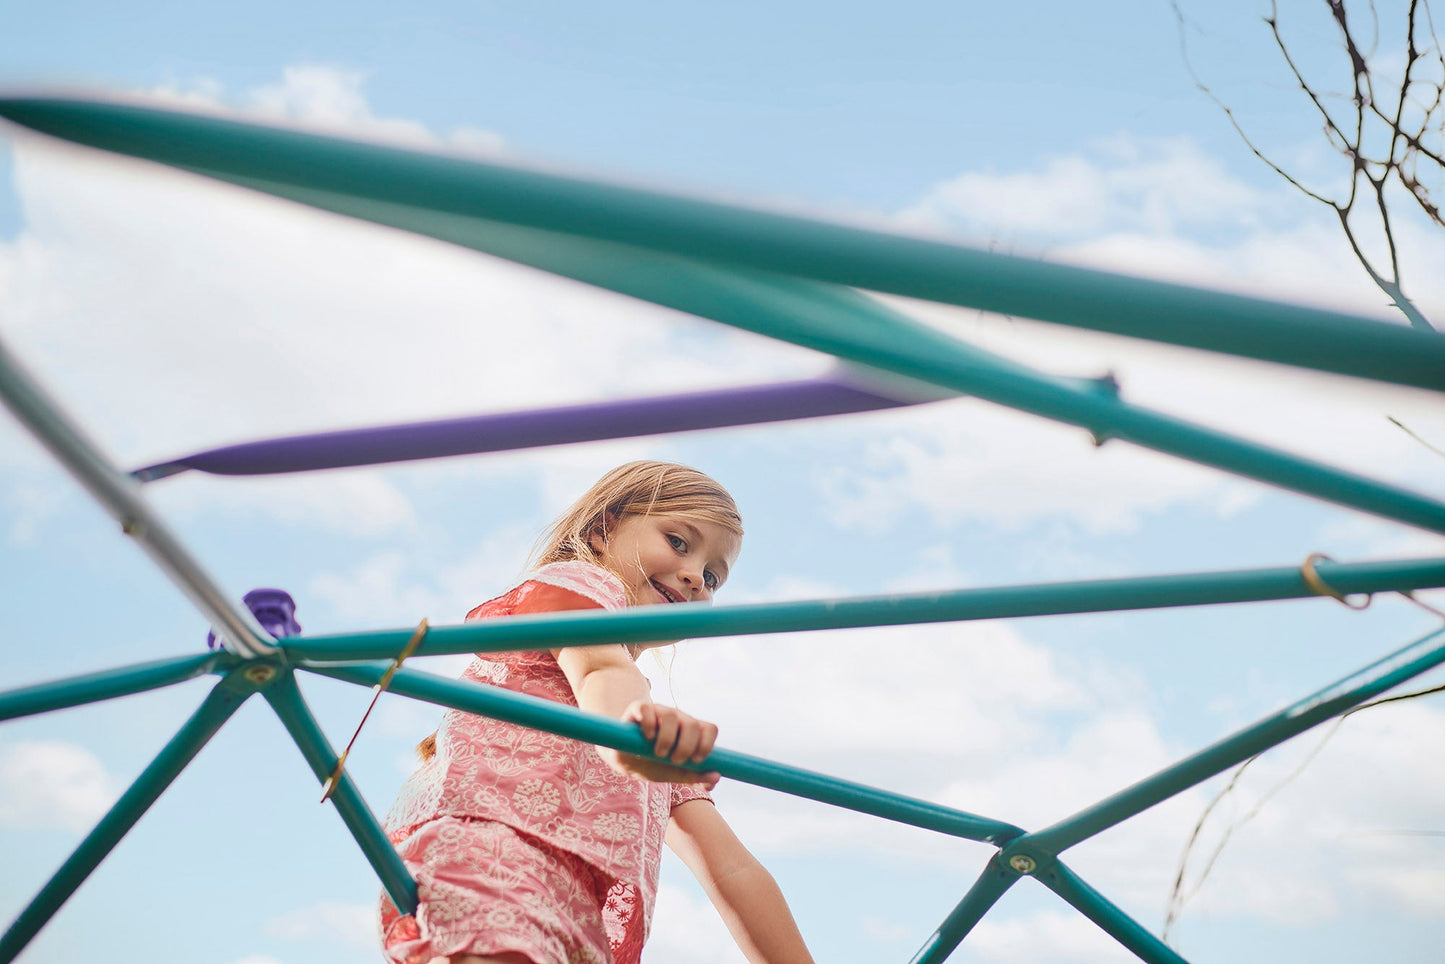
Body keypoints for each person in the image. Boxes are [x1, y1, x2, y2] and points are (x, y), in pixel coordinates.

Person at [380, 461, 814, 964]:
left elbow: (733, 871)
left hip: (578, 919)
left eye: (714, 576)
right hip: (492, 857)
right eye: (678, 542)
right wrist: (630, 740)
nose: (696, 575)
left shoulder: (650, 725)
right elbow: (599, 672)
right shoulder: (574, 589)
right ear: (603, 530)